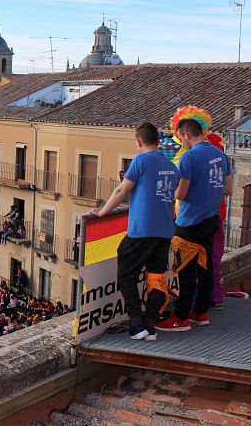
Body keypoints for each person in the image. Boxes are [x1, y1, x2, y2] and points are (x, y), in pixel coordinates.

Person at [92, 122, 178, 341]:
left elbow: (122, 189)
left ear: (138, 141)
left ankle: (136, 325)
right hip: (165, 231)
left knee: (126, 274)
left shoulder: (140, 161)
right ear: (158, 141)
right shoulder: (171, 166)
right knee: (156, 278)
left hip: (142, 230)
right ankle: (150, 326)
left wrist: (103, 212)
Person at [156, 118, 231, 331]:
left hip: (189, 221)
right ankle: (201, 312)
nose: (181, 142)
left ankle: (180, 317)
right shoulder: (220, 155)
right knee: (205, 268)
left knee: (186, 271)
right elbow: (229, 189)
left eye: (180, 138)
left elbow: (181, 193)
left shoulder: (189, 157)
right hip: (211, 218)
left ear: (186, 134)